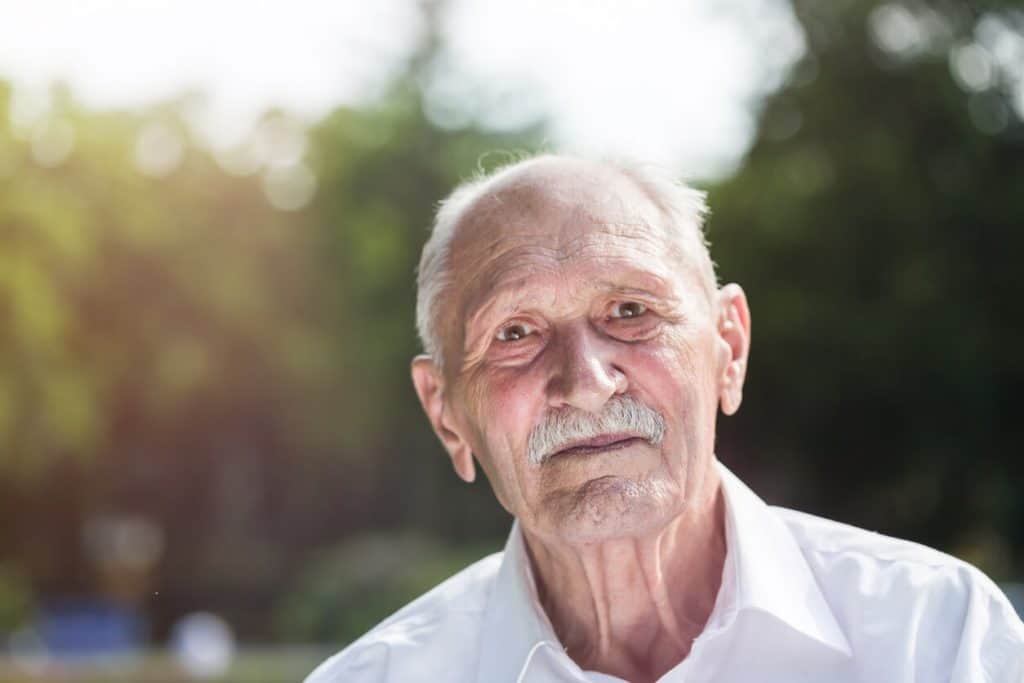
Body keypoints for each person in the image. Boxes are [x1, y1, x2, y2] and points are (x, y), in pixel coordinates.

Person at [305, 154, 1024, 682]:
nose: (585, 383)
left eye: (630, 311)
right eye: (515, 333)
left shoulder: (936, 639)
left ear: (728, 348)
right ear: (446, 413)